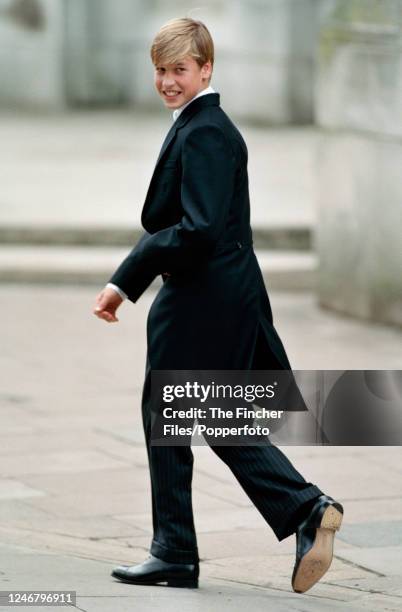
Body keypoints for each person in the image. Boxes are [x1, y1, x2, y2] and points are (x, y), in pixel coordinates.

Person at [93, 17, 343, 594]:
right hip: (220, 294)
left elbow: (198, 229)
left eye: (179, 69)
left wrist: (128, 275)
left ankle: (184, 547)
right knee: (210, 416)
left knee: (172, 414)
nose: (167, 81)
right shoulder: (202, 125)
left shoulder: (206, 131)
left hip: (202, 298)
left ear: (206, 68)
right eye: (160, 70)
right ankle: (296, 512)